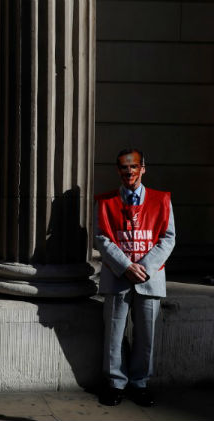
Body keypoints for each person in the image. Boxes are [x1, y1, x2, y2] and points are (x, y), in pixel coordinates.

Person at [94, 148, 175, 407]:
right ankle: (116, 383)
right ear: (118, 170)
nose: (129, 171)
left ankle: (140, 383)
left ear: (143, 168)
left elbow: (168, 238)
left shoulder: (161, 200)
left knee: (146, 335)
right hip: (118, 276)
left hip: (149, 278)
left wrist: (145, 267)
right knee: (114, 334)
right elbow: (101, 238)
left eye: (134, 166)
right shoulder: (106, 201)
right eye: (123, 167)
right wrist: (126, 266)